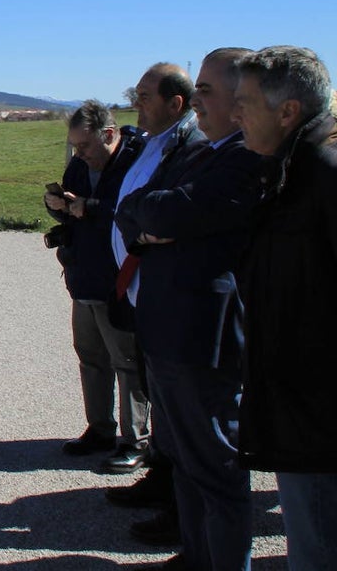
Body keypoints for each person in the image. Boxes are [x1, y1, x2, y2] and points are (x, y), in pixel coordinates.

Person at [115, 48, 262, 571]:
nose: (196, 99)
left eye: (207, 89)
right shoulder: (204, 152)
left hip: (203, 338)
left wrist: (156, 216)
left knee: (216, 468)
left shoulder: (245, 157)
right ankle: (196, 554)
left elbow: (168, 207)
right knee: (186, 462)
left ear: (243, 102)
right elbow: (140, 205)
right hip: (169, 329)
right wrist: (152, 218)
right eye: (195, 88)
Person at [233, 46, 337, 569]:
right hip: (299, 408)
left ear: (288, 111)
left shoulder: (324, 170)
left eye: (245, 102)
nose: (235, 115)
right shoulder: (288, 167)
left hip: (319, 416)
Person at [105, 62, 204, 546]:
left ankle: (179, 506)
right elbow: (135, 204)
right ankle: (161, 479)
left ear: (175, 103)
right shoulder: (152, 141)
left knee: (175, 402)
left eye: (144, 96)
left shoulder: (192, 146)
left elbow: (162, 209)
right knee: (156, 387)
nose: (135, 103)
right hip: (141, 288)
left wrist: (134, 215)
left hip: (165, 291)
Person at [44, 101, 150, 472]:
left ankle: (136, 439)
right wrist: (57, 205)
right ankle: (100, 428)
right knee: (90, 357)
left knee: (127, 361)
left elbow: (136, 210)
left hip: (119, 278)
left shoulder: (137, 162)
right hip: (83, 274)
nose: (79, 154)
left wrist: (91, 207)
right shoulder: (79, 164)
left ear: (108, 135)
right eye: (74, 147)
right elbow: (73, 209)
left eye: (85, 146)